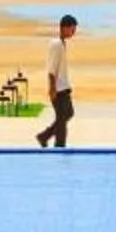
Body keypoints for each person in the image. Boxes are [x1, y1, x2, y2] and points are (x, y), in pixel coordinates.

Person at [34, 14, 78, 148]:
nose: (73, 32)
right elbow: (51, 69)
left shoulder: (62, 44)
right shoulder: (56, 44)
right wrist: (52, 88)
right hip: (58, 90)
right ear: (64, 28)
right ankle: (59, 147)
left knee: (67, 114)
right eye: (72, 29)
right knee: (62, 121)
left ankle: (44, 136)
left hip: (64, 87)